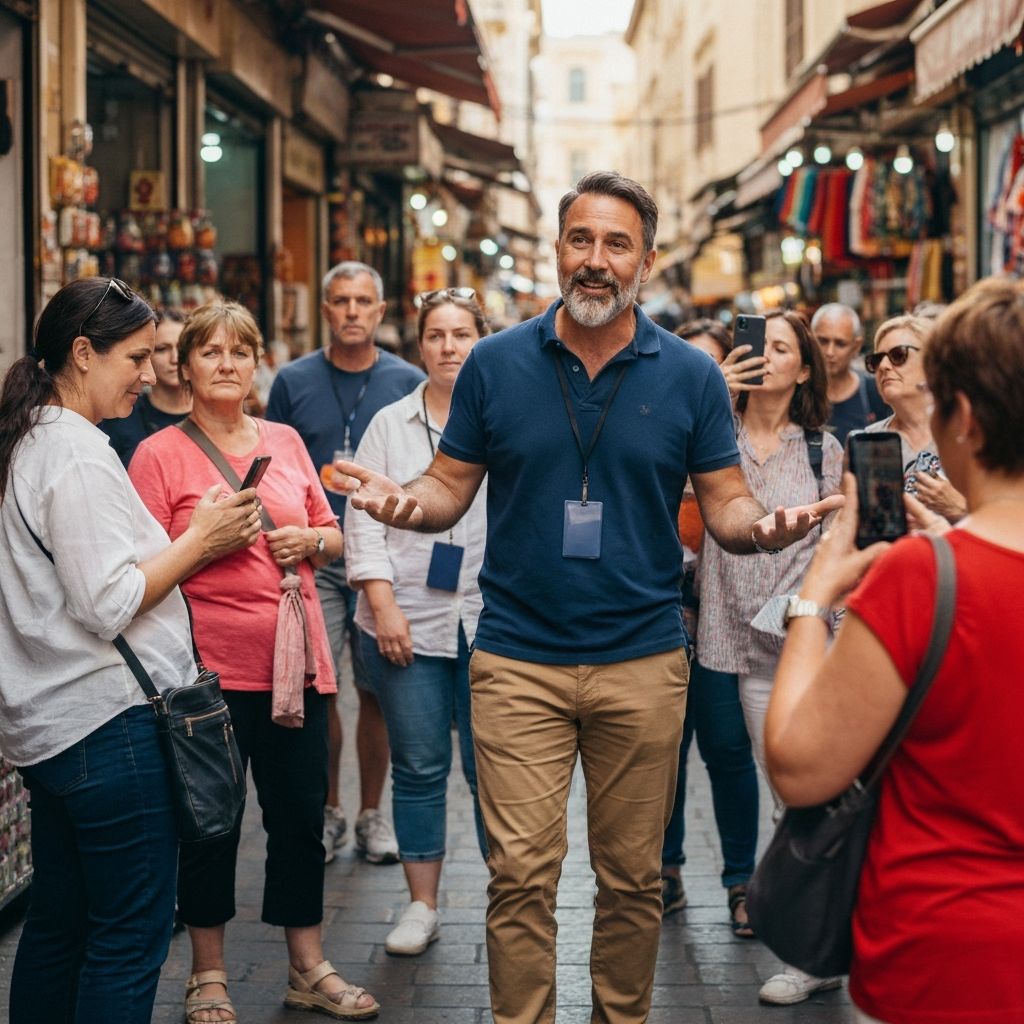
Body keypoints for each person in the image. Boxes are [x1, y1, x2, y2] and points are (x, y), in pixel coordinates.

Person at [330, 171, 842, 1024]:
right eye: (581, 240)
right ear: (557, 246)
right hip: (516, 661)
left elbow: (724, 503)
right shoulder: (496, 362)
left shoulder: (689, 375)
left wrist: (766, 526)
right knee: (521, 876)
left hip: (642, 661)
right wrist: (402, 504)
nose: (595, 261)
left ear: (646, 259)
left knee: (634, 880)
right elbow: (449, 485)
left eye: (616, 244)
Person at [0, 278, 261, 1024]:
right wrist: (200, 542)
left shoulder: (30, 438)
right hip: (107, 728)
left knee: (61, 925)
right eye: (139, 357)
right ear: (83, 354)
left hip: (55, 730)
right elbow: (105, 600)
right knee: (127, 939)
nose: (152, 376)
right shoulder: (75, 452)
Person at [764, 276, 1024, 1024]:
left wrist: (814, 598)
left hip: (943, 952)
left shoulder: (924, 576)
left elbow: (799, 765)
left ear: (963, 417)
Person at [128, 300, 378, 1024]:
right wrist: (205, 539)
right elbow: (140, 568)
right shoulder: (157, 455)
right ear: (186, 364)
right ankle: (208, 974)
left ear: (257, 361)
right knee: (210, 826)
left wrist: (308, 540)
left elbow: (334, 535)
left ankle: (308, 965)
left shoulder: (287, 440)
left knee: (299, 818)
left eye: (240, 351)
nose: (227, 364)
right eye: (210, 352)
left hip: (293, 667)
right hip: (202, 675)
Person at [695, 310, 844, 1004]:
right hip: (728, 636)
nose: (766, 357)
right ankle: (805, 933)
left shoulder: (822, 449)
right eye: (757, 345)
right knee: (763, 773)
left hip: (795, 639)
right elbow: (668, 495)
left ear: (805, 368)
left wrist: (790, 608)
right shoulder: (709, 433)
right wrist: (708, 391)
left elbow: (832, 548)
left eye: (783, 348)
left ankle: (813, 951)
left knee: (800, 790)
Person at [342, 288, 489, 957]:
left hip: (494, 622)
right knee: (421, 766)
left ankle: (508, 899)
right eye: (436, 335)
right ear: (420, 344)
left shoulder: (505, 417)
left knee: (495, 768)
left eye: (462, 334)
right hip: (408, 619)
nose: (449, 346)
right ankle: (422, 906)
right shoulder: (389, 425)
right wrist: (382, 605)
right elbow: (362, 519)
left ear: (482, 340)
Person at [266, 261, 424, 865]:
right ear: (325, 310)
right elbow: (276, 459)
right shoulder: (292, 380)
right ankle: (331, 809)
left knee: (377, 690)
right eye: (341, 301)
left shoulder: (406, 379)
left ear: (381, 312)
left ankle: (371, 815)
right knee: (321, 691)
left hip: (386, 555)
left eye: (364, 301)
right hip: (316, 555)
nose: (353, 311)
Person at [660, 318, 759, 936]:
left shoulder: (743, 442)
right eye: (692, 368)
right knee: (663, 753)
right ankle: (664, 872)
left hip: (722, 621)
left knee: (727, 750)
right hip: (665, 614)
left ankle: (742, 881)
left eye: (715, 367)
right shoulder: (662, 429)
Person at [861, 314, 966, 522]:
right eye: (876, 360)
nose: (883, 366)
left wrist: (959, 508)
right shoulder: (868, 440)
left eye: (897, 355)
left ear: (932, 362)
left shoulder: (967, 433)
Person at [99, 307, 191, 465]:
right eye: (162, 349)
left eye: (181, 349)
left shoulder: (213, 416)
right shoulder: (120, 416)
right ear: (146, 355)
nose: (175, 358)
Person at [810, 302, 888, 444]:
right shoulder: (796, 392)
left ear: (856, 345)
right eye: (822, 341)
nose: (829, 352)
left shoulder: (876, 392)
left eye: (840, 344)